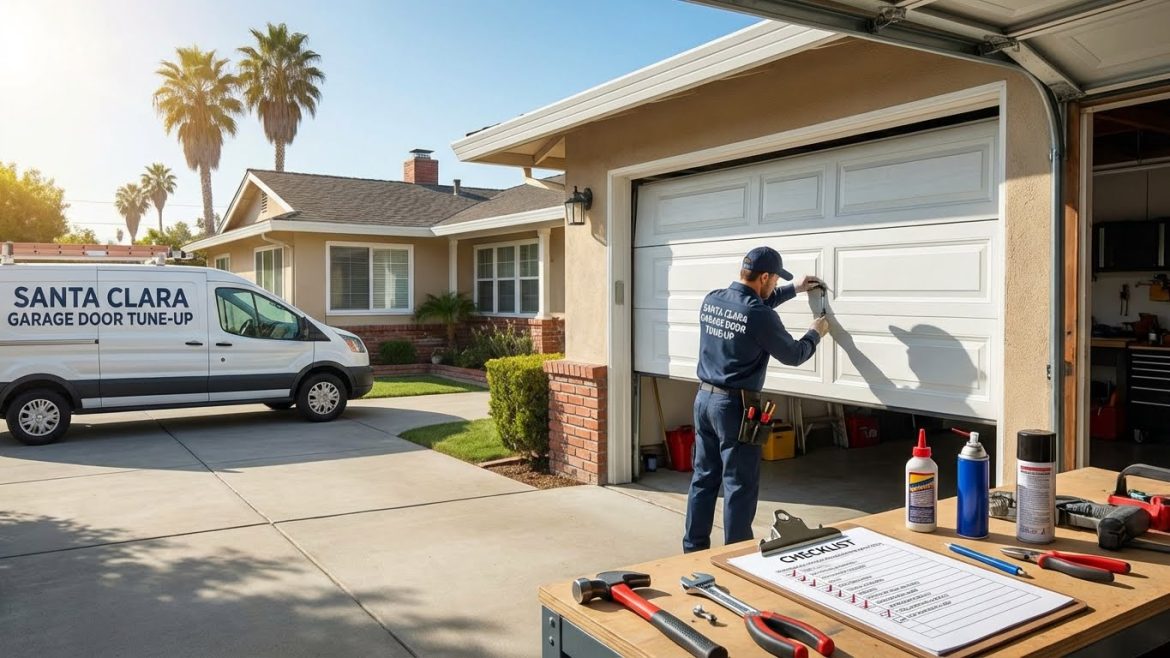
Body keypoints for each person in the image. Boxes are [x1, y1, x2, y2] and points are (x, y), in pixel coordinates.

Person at [683, 246, 829, 553]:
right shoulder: (759, 314)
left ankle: (692, 550)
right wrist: (815, 333)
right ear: (764, 277)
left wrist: (795, 288)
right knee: (739, 485)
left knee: (704, 479)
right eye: (775, 279)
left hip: (703, 401)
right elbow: (793, 354)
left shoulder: (713, 299)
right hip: (735, 409)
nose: (775, 284)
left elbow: (753, 309)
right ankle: (736, 554)